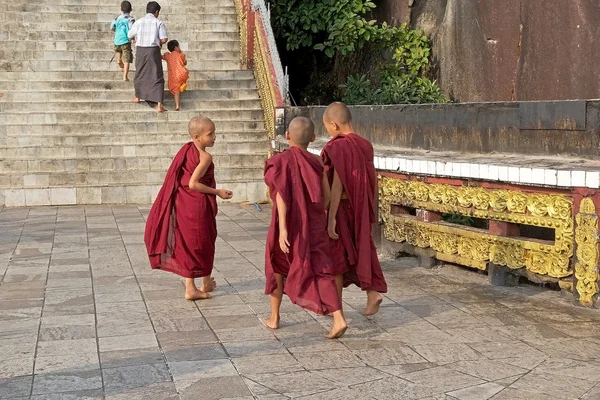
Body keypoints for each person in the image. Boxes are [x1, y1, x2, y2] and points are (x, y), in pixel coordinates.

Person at [263, 116, 348, 339]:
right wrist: (319, 215)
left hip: (288, 225)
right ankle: (338, 317)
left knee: (277, 267)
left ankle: (274, 317)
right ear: (312, 138)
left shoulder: (280, 161)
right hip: (314, 224)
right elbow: (327, 195)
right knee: (322, 268)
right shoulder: (317, 162)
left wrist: (282, 229)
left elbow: (281, 196)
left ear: (287, 135)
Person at [144, 116, 233, 300]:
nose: (215, 137)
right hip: (197, 205)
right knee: (201, 242)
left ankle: (204, 282)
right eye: (211, 134)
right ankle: (191, 289)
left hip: (183, 203)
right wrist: (218, 192)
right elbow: (193, 184)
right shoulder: (205, 157)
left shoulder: (187, 148)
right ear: (196, 136)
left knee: (192, 242)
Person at [321, 102, 388, 316]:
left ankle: (336, 308)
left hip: (340, 207)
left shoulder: (336, 147)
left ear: (334, 124)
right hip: (361, 207)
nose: (329, 134)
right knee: (362, 248)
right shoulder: (365, 144)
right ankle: (372, 293)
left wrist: (330, 216)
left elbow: (337, 182)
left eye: (328, 129)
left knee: (337, 255)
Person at [128, 1, 168, 112]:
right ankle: (159, 104)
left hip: (140, 50)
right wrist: (160, 42)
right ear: (156, 12)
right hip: (153, 50)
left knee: (140, 72)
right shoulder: (158, 22)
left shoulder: (139, 22)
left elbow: (129, 34)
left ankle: (138, 96)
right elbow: (164, 38)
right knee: (157, 74)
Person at [110, 1, 135, 81]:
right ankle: (125, 76)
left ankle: (119, 63)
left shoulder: (117, 18)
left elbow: (112, 28)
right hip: (125, 41)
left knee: (119, 56)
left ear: (121, 9)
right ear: (131, 9)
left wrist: (117, 31)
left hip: (117, 41)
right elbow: (132, 30)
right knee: (126, 59)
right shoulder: (131, 19)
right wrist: (133, 38)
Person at [162, 40, 189, 111]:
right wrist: (181, 52)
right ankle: (182, 85)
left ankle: (177, 105)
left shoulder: (168, 56)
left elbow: (162, 57)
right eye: (179, 46)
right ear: (176, 47)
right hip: (182, 74)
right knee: (182, 82)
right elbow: (185, 62)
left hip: (174, 76)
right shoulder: (180, 55)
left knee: (176, 91)